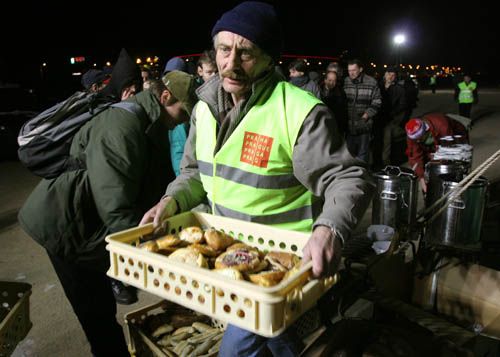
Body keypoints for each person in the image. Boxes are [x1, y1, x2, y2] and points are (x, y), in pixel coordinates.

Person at [140, 2, 373, 356]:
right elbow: (193, 172)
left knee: (235, 351)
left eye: (245, 52)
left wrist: (329, 229)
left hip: (280, 265)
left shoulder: (297, 111)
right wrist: (170, 201)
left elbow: (348, 176)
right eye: (224, 49)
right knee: (278, 337)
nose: (231, 63)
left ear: (268, 59)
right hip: (230, 259)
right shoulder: (203, 108)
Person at [18, 50, 195, 356]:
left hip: (87, 224)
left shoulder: (151, 124)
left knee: (102, 305)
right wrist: (151, 264)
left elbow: (154, 185)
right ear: (165, 97)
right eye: (185, 111)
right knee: (96, 315)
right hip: (63, 226)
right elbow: (115, 206)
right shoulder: (122, 127)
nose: (186, 119)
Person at [405, 113, 468, 193]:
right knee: (428, 173)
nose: (417, 141)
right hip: (433, 145)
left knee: (455, 169)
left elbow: (448, 151)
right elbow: (415, 157)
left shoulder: (442, 125)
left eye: (419, 138)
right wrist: (421, 178)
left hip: (455, 140)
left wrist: (437, 166)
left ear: (425, 131)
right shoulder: (412, 135)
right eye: (415, 139)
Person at [343, 59, 382, 163]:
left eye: (354, 70)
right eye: (349, 70)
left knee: (362, 154)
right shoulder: (346, 81)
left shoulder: (371, 82)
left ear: (360, 69)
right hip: (349, 126)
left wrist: (366, 116)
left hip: (364, 125)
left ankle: (363, 176)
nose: (351, 73)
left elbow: (377, 101)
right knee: (349, 155)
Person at [379, 66, 407, 166]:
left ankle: (385, 166)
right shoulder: (378, 86)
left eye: (393, 75)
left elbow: (402, 106)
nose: (390, 76)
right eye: (389, 74)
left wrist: (395, 120)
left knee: (387, 145)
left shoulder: (399, 89)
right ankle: (376, 164)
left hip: (389, 121)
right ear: (384, 75)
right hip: (376, 120)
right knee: (376, 144)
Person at [320, 70, 348, 135]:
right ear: (325, 80)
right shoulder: (318, 91)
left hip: (335, 127)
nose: (332, 83)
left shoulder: (341, 93)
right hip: (321, 127)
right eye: (330, 80)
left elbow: (343, 113)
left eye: (334, 81)